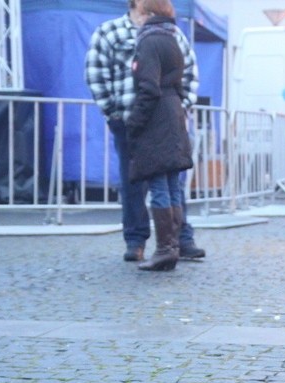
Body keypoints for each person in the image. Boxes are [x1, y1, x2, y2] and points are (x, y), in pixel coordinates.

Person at [85, 0, 205, 262]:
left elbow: (189, 74)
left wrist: (179, 107)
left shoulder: (167, 34)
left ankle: (176, 241)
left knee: (169, 183)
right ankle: (139, 240)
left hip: (155, 119)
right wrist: (114, 114)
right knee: (136, 183)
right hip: (132, 120)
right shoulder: (110, 32)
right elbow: (96, 74)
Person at [123, 0, 194, 271]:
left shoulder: (149, 41)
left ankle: (165, 250)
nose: (136, 18)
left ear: (147, 13)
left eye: (139, 13)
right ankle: (171, 247)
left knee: (159, 186)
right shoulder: (171, 38)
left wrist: (134, 122)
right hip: (173, 114)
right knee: (172, 184)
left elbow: (149, 88)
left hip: (156, 119)